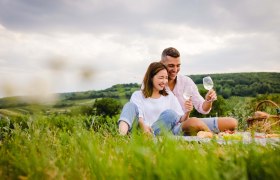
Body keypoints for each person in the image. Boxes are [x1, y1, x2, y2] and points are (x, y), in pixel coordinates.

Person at [160, 47, 238, 134]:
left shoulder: (186, 82)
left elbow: (202, 108)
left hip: (186, 123)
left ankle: (200, 131)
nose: (175, 70)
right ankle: (212, 136)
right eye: (171, 66)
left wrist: (208, 101)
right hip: (167, 127)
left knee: (232, 123)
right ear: (161, 64)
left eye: (178, 65)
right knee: (193, 122)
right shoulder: (155, 83)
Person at [118, 62, 203, 136]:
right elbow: (139, 116)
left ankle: (151, 137)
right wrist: (144, 128)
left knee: (171, 114)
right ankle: (121, 137)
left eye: (166, 78)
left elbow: (181, 120)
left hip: (156, 132)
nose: (164, 81)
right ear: (151, 78)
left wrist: (188, 112)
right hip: (140, 130)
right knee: (129, 106)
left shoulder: (169, 96)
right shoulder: (137, 95)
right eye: (161, 78)